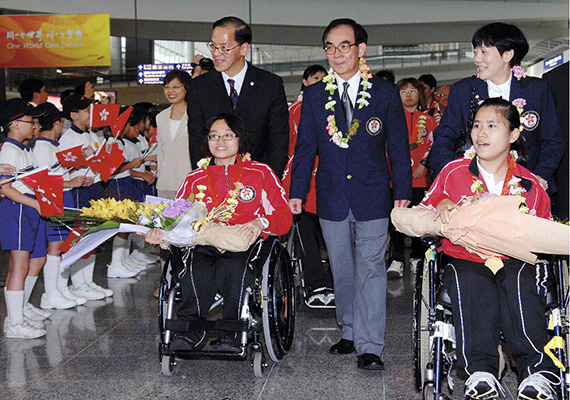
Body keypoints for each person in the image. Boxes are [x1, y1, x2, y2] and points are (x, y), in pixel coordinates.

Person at [288, 19, 412, 370]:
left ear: (361, 49)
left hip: (373, 194)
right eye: (330, 46)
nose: (337, 53)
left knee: (371, 268)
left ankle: (371, 345)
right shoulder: (315, 96)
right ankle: (349, 329)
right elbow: (305, 148)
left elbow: (399, 148)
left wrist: (402, 190)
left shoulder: (385, 93)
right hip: (331, 195)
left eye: (344, 45)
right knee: (341, 268)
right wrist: (297, 190)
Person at [421, 98, 559, 399]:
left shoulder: (529, 184)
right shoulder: (453, 173)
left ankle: (536, 374)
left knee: (520, 280)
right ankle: (480, 372)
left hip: (516, 259)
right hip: (466, 256)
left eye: (492, 126)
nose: (480, 133)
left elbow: (545, 231)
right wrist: (441, 204)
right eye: (476, 126)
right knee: (468, 279)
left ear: (513, 135)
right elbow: (424, 210)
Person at [143, 114, 292, 350]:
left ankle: (233, 331)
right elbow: (176, 219)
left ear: (240, 139)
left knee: (234, 266)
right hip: (203, 241)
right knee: (194, 265)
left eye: (227, 136)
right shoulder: (194, 178)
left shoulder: (260, 173)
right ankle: (190, 331)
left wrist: (259, 223)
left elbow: (284, 218)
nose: (220, 141)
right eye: (214, 136)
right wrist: (160, 233)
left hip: (245, 241)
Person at [429, 22, 564, 193]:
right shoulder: (463, 91)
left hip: (527, 187)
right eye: (476, 51)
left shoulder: (536, 90)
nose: (477, 59)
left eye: (484, 52)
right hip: (474, 188)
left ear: (508, 55)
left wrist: (540, 176)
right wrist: (453, 178)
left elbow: (552, 141)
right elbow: (444, 139)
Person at [187, 16, 289, 178]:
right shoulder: (200, 87)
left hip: (258, 178)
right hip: (214, 180)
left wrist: (269, 180)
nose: (216, 53)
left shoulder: (270, 84)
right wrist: (203, 179)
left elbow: (278, 139)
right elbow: (196, 139)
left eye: (224, 48)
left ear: (243, 49)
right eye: (213, 46)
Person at [282, 64, 335, 308]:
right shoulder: (292, 110)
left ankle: (336, 284)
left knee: (336, 235)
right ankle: (315, 284)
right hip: (302, 175)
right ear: (304, 82)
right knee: (304, 229)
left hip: (330, 175)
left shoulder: (336, 107)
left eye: (325, 79)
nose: (321, 83)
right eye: (315, 78)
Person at [32, 102, 89, 309]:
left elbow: (57, 173)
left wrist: (76, 178)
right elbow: (42, 181)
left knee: (63, 245)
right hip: (54, 200)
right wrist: (70, 183)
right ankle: (51, 293)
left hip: (64, 197)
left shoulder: (52, 147)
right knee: (55, 247)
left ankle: (61, 288)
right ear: (58, 123)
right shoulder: (42, 147)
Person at [0, 98, 47, 338]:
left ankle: (18, 314)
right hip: (17, 210)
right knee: (18, 266)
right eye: (31, 121)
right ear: (16, 124)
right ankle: (15, 324)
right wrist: (35, 204)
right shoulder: (9, 150)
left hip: (28, 209)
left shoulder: (23, 149)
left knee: (24, 264)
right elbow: (5, 188)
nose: (34, 125)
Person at [59, 94, 112, 301]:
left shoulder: (93, 135)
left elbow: (99, 164)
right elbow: (64, 168)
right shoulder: (67, 138)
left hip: (95, 187)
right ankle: (78, 283)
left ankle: (87, 281)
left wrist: (105, 155)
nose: (92, 114)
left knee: (93, 236)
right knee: (81, 236)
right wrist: (82, 160)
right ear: (73, 114)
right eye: (87, 111)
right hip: (79, 191)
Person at [386, 78, 437, 279]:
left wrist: (423, 164)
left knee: (419, 220)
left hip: (421, 179)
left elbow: (434, 146)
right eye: (403, 91)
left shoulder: (429, 120)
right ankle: (396, 259)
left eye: (413, 90)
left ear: (420, 94)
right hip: (396, 180)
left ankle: (418, 257)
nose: (408, 94)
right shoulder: (390, 118)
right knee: (397, 220)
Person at [156, 69, 193, 200]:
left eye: (176, 87)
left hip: (189, 180)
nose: (170, 91)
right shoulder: (160, 117)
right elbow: (161, 150)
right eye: (166, 87)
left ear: (186, 88)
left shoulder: (195, 114)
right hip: (165, 182)